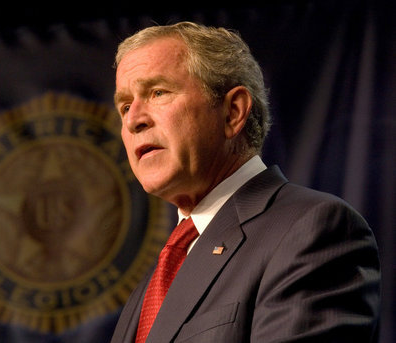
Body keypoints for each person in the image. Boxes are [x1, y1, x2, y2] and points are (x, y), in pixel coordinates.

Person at [110, 21, 380, 342]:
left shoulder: (314, 230)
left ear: (233, 112)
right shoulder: (161, 273)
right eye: (125, 105)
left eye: (158, 92)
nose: (133, 120)